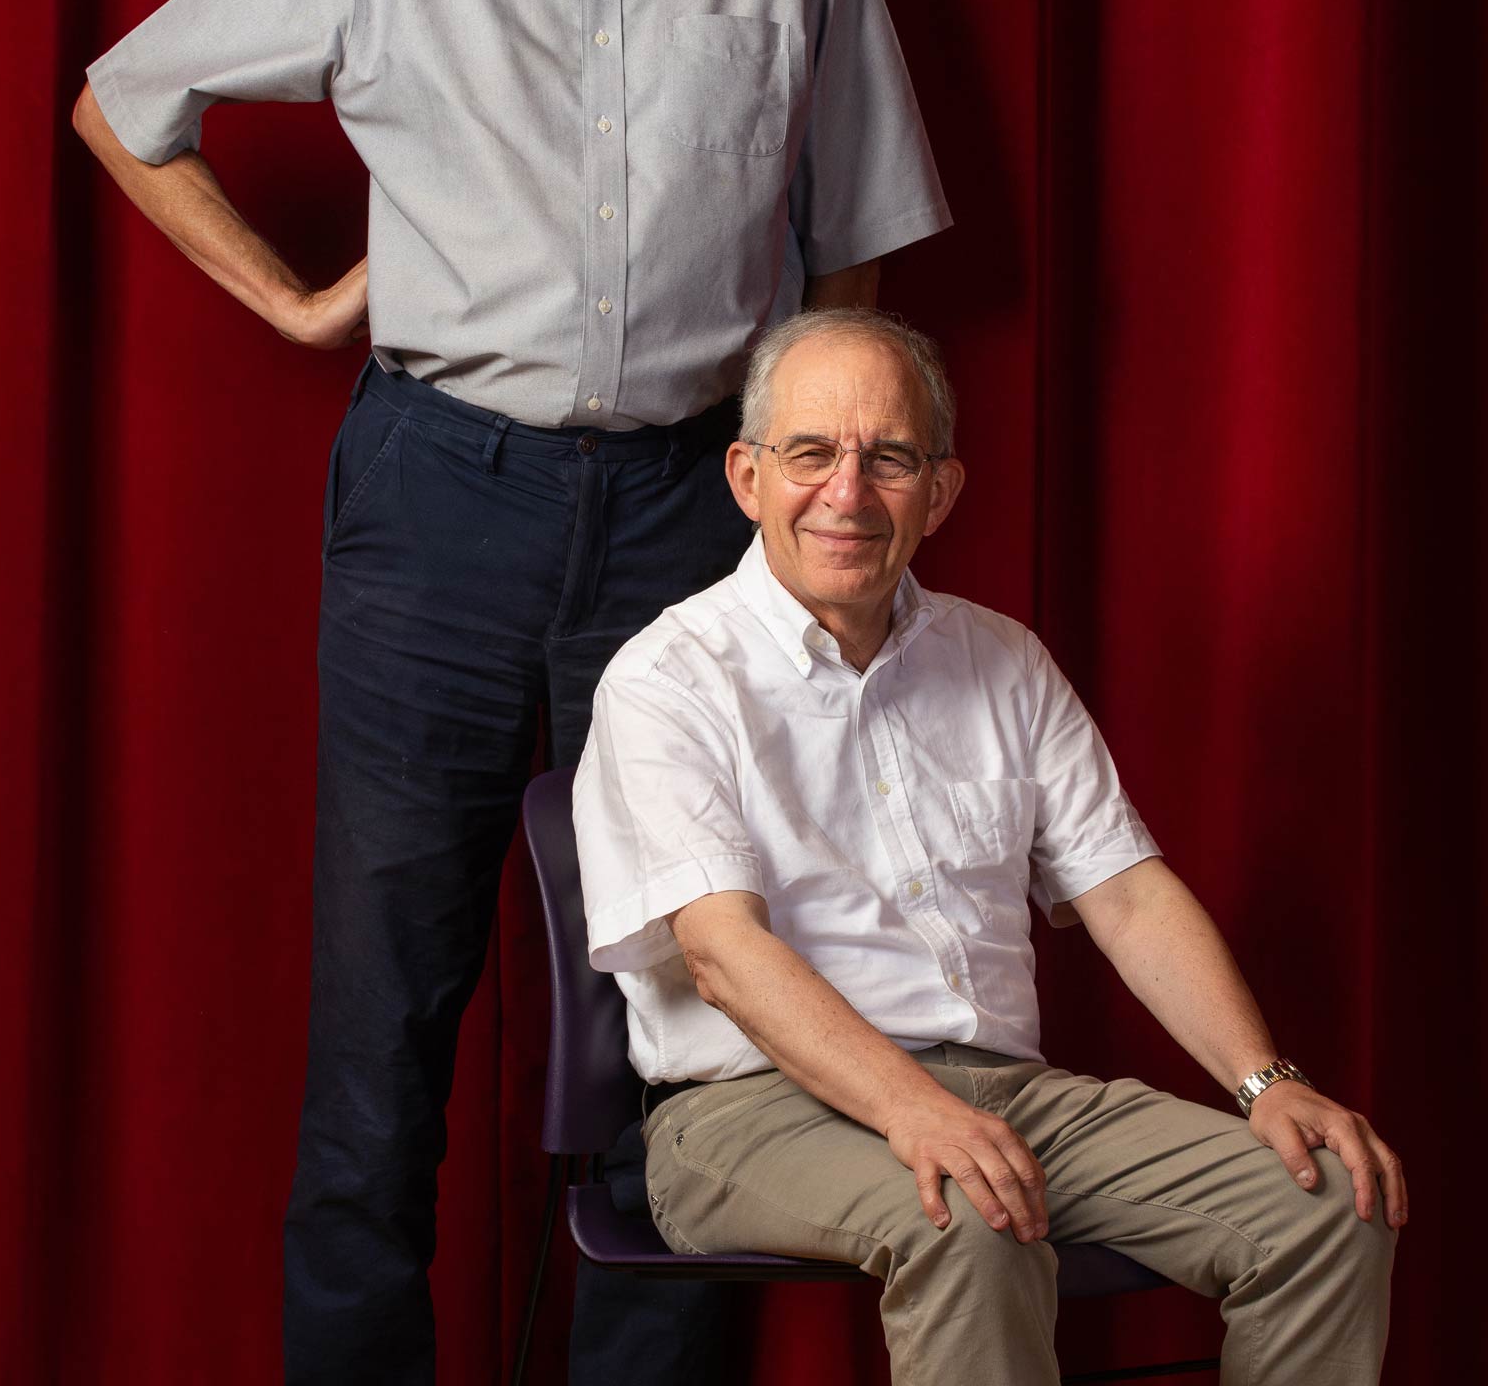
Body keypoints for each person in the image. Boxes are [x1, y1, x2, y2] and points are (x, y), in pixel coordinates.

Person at [70, 0, 949, 1386]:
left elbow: (852, 237)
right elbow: (122, 101)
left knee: (686, 1004)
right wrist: (303, 305)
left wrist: (792, 473)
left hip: (689, 516)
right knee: (386, 1011)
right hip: (438, 502)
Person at [573, 309, 1403, 1385]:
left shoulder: (1003, 660)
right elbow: (725, 956)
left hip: (1007, 1096)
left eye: (891, 459)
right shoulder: (669, 679)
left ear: (941, 492)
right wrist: (914, 1111)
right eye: (811, 453)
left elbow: (1130, 897)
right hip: (746, 1111)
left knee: (1330, 1201)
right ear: (746, 477)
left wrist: (1266, 1080)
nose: (848, 492)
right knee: (970, 1210)